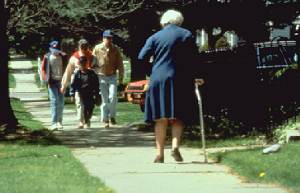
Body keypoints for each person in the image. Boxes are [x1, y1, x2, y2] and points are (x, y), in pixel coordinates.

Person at [138, 10, 203, 163]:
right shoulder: (186, 34)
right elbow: (194, 58)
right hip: (180, 78)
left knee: (160, 118)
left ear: (164, 22)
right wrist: (197, 76)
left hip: (158, 79)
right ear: (179, 21)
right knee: (178, 116)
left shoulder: (155, 37)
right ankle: (174, 146)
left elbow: (141, 57)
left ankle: (160, 154)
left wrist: (151, 71)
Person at [61, 39, 99, 128]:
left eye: (85, 46)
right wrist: (64, 85)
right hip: (78, 82)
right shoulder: (74, 58)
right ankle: (81, 121)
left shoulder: (93, 57)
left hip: (89, 83)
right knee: (79, 103)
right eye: (82, 46)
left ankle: (87, 119)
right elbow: (68, 71)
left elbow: (97, 71)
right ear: (79, 46)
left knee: (89, 105)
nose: (84, 48)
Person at [92, 30, 124, 128]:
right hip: (101, 76)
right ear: (103, 38)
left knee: (113, 96)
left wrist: (121, 78)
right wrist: (94, 75)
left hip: (112, 76)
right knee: (104, 99)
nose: (109, 40)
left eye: (110, 38)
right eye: (107, 38)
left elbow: (120, 64)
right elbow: (93, 63)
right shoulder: (97, 48)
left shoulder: (115, 49)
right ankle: (105, 119)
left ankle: (112, 116)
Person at [41, 40, 66, 130]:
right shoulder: (47, 57)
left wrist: (66, 81)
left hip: (61, 82)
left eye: (57, 49)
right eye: (53, 49)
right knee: (54, 101)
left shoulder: (63, 56)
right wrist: (45, 79)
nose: (55, 51)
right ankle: (54, 123)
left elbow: (66, 68)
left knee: (61, 102)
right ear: (51, 49)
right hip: (52, 82)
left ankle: (59, 122)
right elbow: (43, 69)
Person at [70, 56, 101, 128]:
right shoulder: (77, 74)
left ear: (86, 64)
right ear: (79, 64)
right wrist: (72, 94)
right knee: (81, 107)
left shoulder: (92, 73)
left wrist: (97, 95)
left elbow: (96, 85)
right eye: (81, 64)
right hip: (80, 92)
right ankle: (81, 121)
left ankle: (87, 119)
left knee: (90, 107)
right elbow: (73, 84)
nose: (82, 66)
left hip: (89, 93)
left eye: (84, 64)